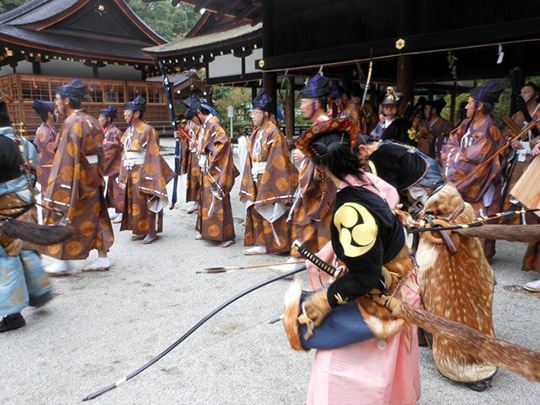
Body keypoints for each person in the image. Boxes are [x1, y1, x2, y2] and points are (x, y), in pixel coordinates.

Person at [286, 117, 421, 405]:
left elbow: (364, 277)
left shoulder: (350, 208)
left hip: (383, 291)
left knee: (335, 369)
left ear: (319, 168)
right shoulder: (370, 181)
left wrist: (325, 299)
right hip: (398, 278)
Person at [42, 79, 114, 274]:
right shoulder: (90, 120)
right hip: (93, 176)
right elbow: (100, 153)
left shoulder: (72, 122)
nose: (56, 103)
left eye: (57, 99)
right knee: (95, 217)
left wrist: (60, 186)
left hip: (77, 179)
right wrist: (97, 174)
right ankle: (102, 257)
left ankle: (62, 261)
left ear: (66, 101)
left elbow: (66, 157)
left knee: (67, 217)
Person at [1, 98, 53, 332]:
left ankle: (13, 313)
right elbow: (34, 172)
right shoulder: (22, 142)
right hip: (27, 205)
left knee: (6, 259)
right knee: (28, 249)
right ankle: (40, 291)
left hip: (5, 210)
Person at [441, 82, 506, 259]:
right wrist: (454, 153)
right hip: (464, 176)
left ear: (480, 106)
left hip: (481, 182)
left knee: (480, 215)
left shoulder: (489, 127)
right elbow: (451, 142)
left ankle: (480, 255)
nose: (467, 106)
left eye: (470, 103)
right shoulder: (467, 123)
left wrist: (454, 154)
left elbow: (477, 157)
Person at [283, 74, 337, 270]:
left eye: (304, 102)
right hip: (314, 185)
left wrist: (306, 156)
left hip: (324, 187)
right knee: (306, 221)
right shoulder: (320, 125)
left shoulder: (326, 126)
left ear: (316, 103)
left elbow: (328, 155)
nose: (301, 107)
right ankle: (297, 261)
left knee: (318, 225)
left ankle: (305, 263)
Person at [239, 92, 298, 255]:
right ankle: (261, 243)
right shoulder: (257, 132)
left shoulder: (274, 132)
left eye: (255, 113)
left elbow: (278, 160)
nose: (252, 116)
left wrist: (267, 180)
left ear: (265, 114)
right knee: (257, 209)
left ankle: (280, 244)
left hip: (270, 176)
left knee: (271, 208)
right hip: (256, 175)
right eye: (252, 113)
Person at [182, 96, 238, 248]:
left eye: (194, 119)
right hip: (206, 166)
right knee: (204, 199)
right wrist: (197, 145)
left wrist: (200, 147)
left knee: (217, 199)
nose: (193, 123)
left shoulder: (214, 123)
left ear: (199, 113)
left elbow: (223, 142)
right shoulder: (206, 125)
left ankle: (226, 236)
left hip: (215, 168)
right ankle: (206, 231)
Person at [119, 96, 174, 244]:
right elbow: (124, 152)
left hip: (144, 169)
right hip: (131, 170)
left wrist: (150, 175)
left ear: (136, 113)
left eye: (127, 111)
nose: (124, 114)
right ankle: (139, 229)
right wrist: (123, 172)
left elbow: (153, 154)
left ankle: (151, 231)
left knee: (147, 199)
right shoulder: (128, 131)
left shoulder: (149, 130)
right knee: (134, 202)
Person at [502, 82, 540, 275]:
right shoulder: (518, 116)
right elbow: (508, 133)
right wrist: (512, 141)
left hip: (535, 160)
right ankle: (514, 229)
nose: (524, 94)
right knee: (513, 193)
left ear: (536, 94)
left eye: (527, 91)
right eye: (522, 91)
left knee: (533, 200)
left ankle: (530, 232)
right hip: (519, 159)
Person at [356, 135, 446, 215]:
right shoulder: (388, 143)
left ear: (363, 148)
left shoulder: (379, 156)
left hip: (433, 195)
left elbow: (390, 194)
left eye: (359, 159)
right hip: (442, 185)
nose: (363, 164)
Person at [98, 105, 124, 224]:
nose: (99, 120)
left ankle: (122, 212)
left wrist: (106, 145)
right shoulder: (107, 131)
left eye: (101, 118)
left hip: (117, 164)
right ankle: (117, 211)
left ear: (108, 119)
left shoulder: (116, 131)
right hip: (111, 164)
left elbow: (120, 146)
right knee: (112, 189)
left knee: (119, 189)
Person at [32, 99, 57, 191]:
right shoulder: (44, 131)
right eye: (55, 112)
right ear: (49, 114)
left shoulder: (50, 129)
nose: (57, 114)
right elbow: (51, 151)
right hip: (46, 167)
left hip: (49, 166)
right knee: (48, 193)